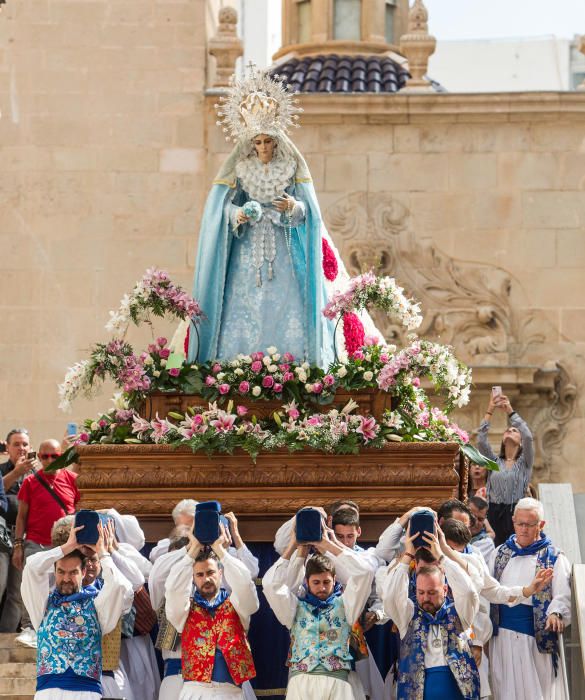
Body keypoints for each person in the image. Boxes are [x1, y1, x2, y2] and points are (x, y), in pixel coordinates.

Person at [21, 520, 133, 700]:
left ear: (83, 572)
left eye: (72, 572)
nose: (66, 578)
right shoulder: (41, 605)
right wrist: (68, 546)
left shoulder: (98, 605)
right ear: (54, 571)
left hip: (87, 693)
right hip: (48, 694)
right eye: (61, 572)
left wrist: (103, 553)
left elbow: (122, 587)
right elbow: (32, 567)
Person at [263, 524, 373, 700]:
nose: (322, 587)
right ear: (306, 581)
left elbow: (365, 573)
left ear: (334, 580)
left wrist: (327, 544)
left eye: (326, 582)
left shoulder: (347, 605)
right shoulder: (294, 607)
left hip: (337, 682)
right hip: (301, 683)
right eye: (316, 582)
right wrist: (294, 548)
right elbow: (271, 586)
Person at [382, 524, 480, 700]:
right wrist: (407, 557)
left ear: (444, 589)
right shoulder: (408, 614)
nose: (426, 598)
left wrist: (442, 556)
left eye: (432, 592)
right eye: (421, 593)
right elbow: (389, 597)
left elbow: (468, 591)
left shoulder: (460, 612)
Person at [488, 497, 571, 700]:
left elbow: (562, 595)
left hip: (535, 638)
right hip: (501, 638)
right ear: (513, 520)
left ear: (541, 525)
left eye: (530, 524)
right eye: (520, 523)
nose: (523, 529)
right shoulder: (499, 553)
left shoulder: (554, 557)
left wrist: (555, 613)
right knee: (504, 691)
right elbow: (488, 592)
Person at [165, 527, 259, 699]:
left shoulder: (238, 605)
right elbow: (173, 589)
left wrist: (220, 551)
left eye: (210, 573)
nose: (206, 579)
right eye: (199, 575)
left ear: (221, 574)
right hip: (195, 692)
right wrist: (192, 550)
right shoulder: (184, 610)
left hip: (231, 693)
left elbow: (245, 585)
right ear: (193, 578)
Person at [13, 438, 80, 647]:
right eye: (44, 456)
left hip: (65, 544)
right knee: (31, 581)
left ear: (62, 457)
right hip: (36, 542)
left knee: (68, 583)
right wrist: (18, 545)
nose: (49, 460)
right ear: (39, 457)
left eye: (55, 456)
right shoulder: (30, 481)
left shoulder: (73, 479)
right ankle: (30, 627)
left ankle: (63, 623)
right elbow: (21, 516)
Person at [477, 392, 534, 545]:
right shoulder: (494, 462)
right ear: (502, 439)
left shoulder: (524, 462)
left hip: (516, 512)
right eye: (507, 430)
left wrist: (510, 410)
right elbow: (481, 440)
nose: (510, 430)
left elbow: (528, 436)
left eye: (515, 430)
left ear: (521, 442)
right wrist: (490, 409)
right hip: (493, 513)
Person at [0, 427, 32, 632]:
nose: (21, 448)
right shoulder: (2, 470)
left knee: (16, 594)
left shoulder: (37, 472)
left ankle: (6, 640)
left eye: (25, 444)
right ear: (7, 447)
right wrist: (15, 473)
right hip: (2, 538)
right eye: (16, 444)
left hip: (25, 538)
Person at [149, 498, 198, 563]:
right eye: (187, 528)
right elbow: (154, 556)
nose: (191, 531)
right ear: (176, 526)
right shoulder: (167, 545)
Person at [468, 496, 496, 563]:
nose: (476, 522)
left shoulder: (486, 543)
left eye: (480, 519)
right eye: (472, 517)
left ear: (485, 520)